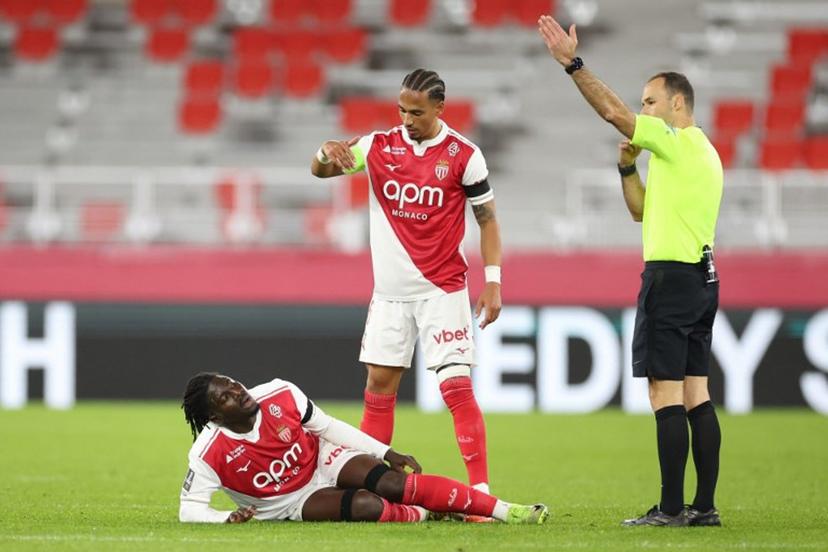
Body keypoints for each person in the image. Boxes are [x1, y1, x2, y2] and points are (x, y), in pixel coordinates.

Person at [537, 16, 723, 527]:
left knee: (664, 393)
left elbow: (612, 112)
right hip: (702, 278)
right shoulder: (700, 153)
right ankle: (703, 508)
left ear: (676, 104)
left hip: (671, 279)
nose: (643, 111)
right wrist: (626, 168)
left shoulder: (676, 142)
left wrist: (572, 65)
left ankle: (668, 509)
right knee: (696, 393)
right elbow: (641, 212)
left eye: (651, 102)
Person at [310, 69, 502, 497]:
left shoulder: (464, 155)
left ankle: (482, 490)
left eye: (416, 112)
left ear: (439, 108)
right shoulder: (378, 145)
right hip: (390, 296)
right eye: (401, 110)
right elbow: (321, 171)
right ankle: (372, 487)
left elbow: (487, 220)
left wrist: (493, 281)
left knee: (455, 387)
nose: (407, 119)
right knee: (378, 386)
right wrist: (325, 151)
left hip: (443, 289)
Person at [178, 372, 548, 524]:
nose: (237, 392)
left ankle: (506, 511)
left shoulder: (280, 393)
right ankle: (427, 514)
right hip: (288, 503)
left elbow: (329, 428)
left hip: (320, 456)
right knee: (368, 506)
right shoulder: (208, 453)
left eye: (233, 384)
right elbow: (189, 509)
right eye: (225, 397)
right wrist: (224, 518)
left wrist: (386, 451)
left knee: (391, 484)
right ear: (214, 416)